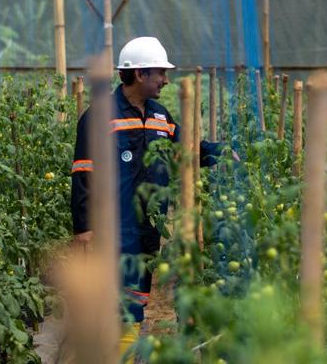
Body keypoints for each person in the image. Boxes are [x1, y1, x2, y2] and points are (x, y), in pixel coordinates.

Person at [70, 36, 225, 354]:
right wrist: (83, 227)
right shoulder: (100, 116)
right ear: (139, 74)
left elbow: (188, 149)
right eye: (160, 73)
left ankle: (122, 354)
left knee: (137, 296)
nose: (166, 80)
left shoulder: (160, 116)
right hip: (113, 225)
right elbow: (83, 171)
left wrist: (223, 152)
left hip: (149, 226)